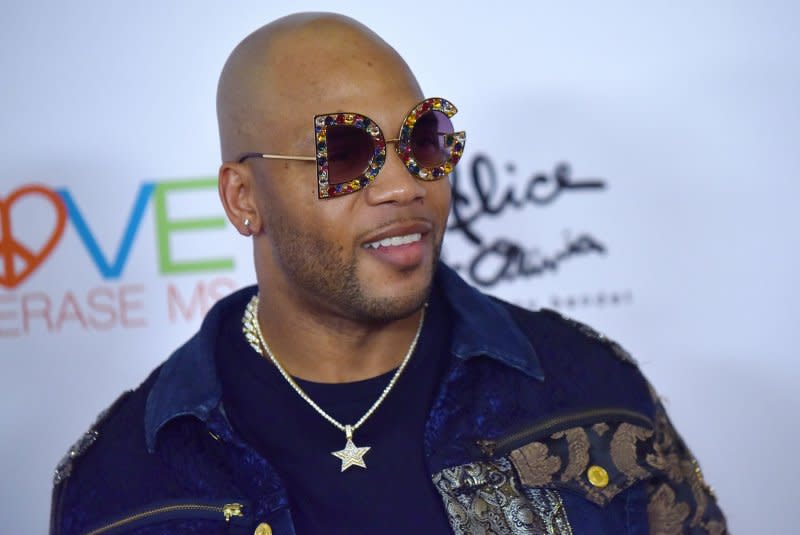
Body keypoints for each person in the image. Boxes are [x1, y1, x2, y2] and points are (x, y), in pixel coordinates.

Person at [50, 12, 727, 535]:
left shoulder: (587, 389)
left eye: (422, 139)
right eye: (345, 153)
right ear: (243, 198)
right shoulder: (125, 479)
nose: (404, 184)